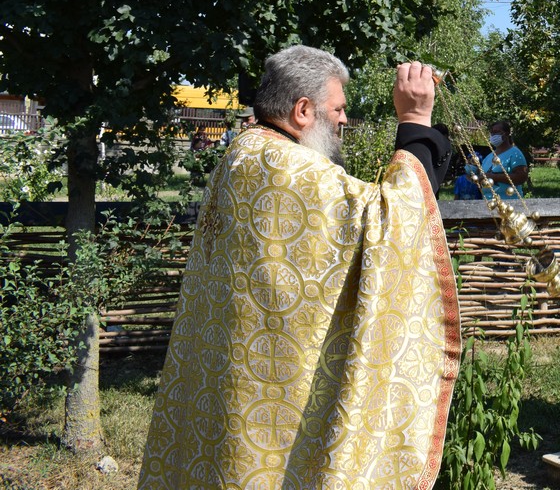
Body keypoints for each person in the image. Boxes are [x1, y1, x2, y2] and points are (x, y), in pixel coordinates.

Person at [138, 46, 458, 489]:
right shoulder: (286, 166)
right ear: (303, 110)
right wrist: (416, 121)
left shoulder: (246, 151)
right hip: (276, 394)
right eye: (339, 108)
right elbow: (395, 220)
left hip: (231, 378)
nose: (344, 119)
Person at [476, 119, 528, 200]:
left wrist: (494, 177)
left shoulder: (515, 153)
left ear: (506, 134)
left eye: (496, 132)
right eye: (492, 132)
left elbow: (521, 177)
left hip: (509, 202)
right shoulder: (488, 157)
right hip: (488, 202)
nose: (493, 135)